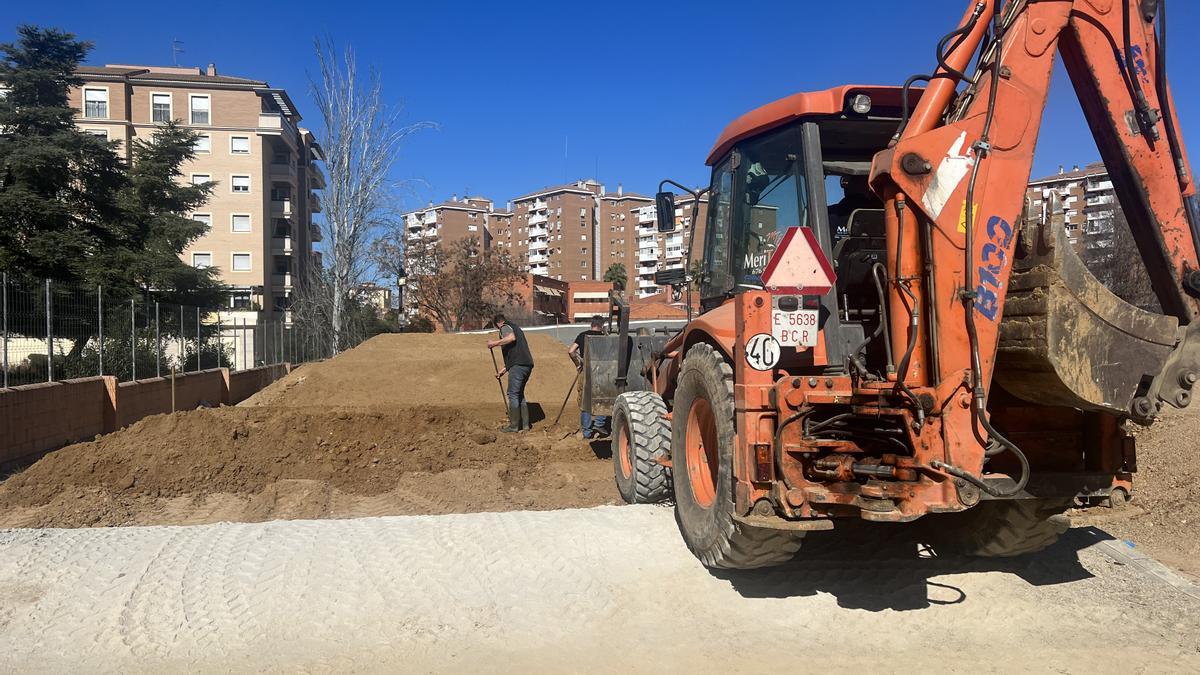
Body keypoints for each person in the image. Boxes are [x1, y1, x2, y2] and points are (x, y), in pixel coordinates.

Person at [487, 314, 535, 432]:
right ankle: (525, 425)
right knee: (520, 395)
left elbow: (511, 338)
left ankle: (513, 426)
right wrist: (503, 370)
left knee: (513, 394)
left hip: (518, 366)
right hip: (526, 365)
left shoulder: (505, 327)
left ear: (498, 324)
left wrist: (494, 343)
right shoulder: (516, 327)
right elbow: (515, 352)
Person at [569, 316, 608, 439]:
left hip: (586, 371)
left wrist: (578, 363)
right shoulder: (604, 338)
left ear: (592, 324)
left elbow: (571, 351)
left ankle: (586, 432)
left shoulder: (582, 335)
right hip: (601, 371)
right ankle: (599, 423)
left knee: (585, 400)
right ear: (601, 325)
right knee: (603, 397)